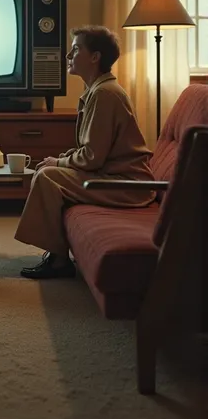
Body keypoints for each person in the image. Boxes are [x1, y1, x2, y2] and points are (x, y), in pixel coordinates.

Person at [15, 25, 155, 280]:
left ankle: (58, 261)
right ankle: (56, 255)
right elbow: (92, 150)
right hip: (111, 176)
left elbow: (92, 157)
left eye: (76, 49)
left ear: (95, 57)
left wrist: (59, 161)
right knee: (49, 171)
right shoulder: (97, 91)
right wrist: (62, 161)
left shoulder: (105, 94)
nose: (68, 55)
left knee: (48, 176)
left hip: (126, 185)